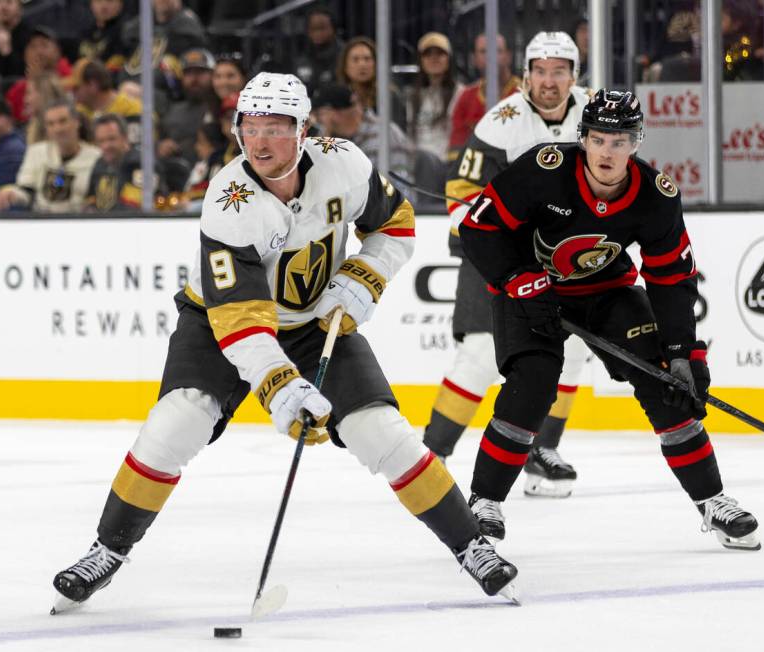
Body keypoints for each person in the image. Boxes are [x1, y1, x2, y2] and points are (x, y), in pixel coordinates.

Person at [50, 72, 518, 614]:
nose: (262, 142)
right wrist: (282, 390)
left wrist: (365, 275)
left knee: (381, 432)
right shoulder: (228, 203)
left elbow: (397, 223)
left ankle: (469, 545)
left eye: (276, 127)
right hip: (217, 322)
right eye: (251, 128)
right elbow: (242, 321)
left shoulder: (344, 163)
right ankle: (107, 549)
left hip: (315, 321)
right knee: (176, 421)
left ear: (303, 130)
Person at [456, 88, 760, 551]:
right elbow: (477, 229)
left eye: (619, 141)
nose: (607, 152)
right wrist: (514, 277)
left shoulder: (656, 196)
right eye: (598, 139)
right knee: (532, 385)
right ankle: (484, 502)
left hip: (606, 292)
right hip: (531, 289)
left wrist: (682, 353)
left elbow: (672, 279)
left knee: (666, 386)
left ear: (636, 142)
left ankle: (713, 500)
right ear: (583, 138)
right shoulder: (544, 169)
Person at [425, 32, 592, 510]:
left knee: (574, 348)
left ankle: (542, 448)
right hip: (497, 255)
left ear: (573, 76)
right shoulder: (501, 122)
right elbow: (461, 191)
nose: (549, 80)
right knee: (480, 354)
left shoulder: (593, 115)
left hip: (565, 257)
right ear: (526, 75)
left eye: (559, 70)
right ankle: (430, 457)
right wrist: (493, 243)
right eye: (540, 70)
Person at [0, 99, 99, 213]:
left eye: (63, 121)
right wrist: (12, 194)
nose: (57, 129)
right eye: (50, 124)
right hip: (41, 221)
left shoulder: (96, 157)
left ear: (77, 122)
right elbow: (27, 190)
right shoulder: (36, 152)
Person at [312, 82, 414, 190]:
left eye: (319, 114)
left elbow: (396, 190)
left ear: (334, 114)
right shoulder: (327, 135)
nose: (316, 121)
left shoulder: (384, 135)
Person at [447, 32, 521, 161]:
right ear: (474, 59)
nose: (490, 56)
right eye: (483, 51)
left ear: (508, 56)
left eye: (497, 51)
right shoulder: (466, 96)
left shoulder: (524, 95)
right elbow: (456, 148)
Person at [405, 31, 463, 163]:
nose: (434, 58)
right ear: (421, 61)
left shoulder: (461, 93)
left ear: (449, 59)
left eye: (440, 53)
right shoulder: (412, 96)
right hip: (417, 167)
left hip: (449, 165)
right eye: (428, 54)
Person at [337, 36, 406, 129]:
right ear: (345, 66)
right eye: (355, 59)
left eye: (367, 59)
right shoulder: (337, 98)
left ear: (376, 64)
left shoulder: (389, 97)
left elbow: (397, 133)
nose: (362, 65)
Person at [290, 4, 342, 100]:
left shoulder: (344, 56)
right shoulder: (301, 59)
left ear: (334, 29)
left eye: (322, 28)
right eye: (313, 29)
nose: (317, 33)